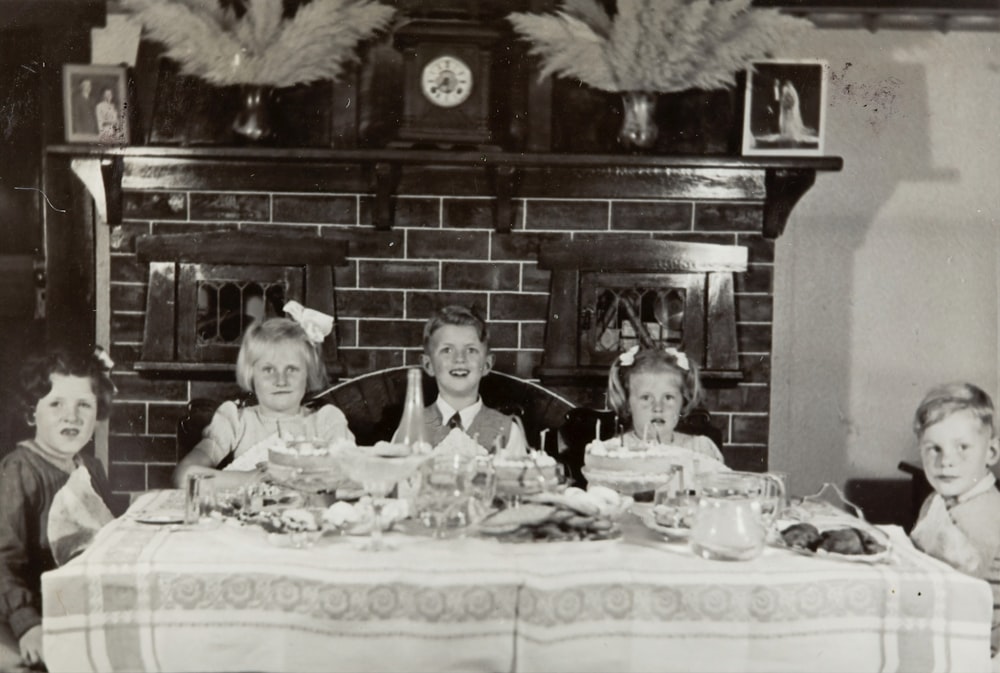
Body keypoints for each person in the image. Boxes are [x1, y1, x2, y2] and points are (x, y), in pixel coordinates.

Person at [0, 346, 116, 671]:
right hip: (33, 614)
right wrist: (27, 624)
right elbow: (2, 561)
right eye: (56, 404)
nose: (72, 416)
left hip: (84, 607)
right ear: (30, 413)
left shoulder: (90, 467)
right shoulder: (19, 470)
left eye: (84, 404)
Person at [172, 302, 353, 490]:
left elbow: (354, 477)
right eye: (268, 369)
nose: (281, 380)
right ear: (251, 374)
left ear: (308, 373)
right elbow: (185, 477)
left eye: (292, 369)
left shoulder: (326, 421)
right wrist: (255, 478)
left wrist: (297, 476)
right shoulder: (235, 420)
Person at [909, 382, 1000, 659]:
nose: (946, 461)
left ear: (991, 453)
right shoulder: (934, 501)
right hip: (938, 628)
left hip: (980, 649)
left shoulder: (989, 517)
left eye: (962, 447)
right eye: (934, 448)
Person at [420, 305, 525, 451]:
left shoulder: (508, 432)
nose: (460, 358)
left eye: (471, 350)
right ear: (429, 364)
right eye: (447, 350)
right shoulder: (411, 427)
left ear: (487, 364)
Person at [606, 345, 724, 462]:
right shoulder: (613, 452)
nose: (658, 408)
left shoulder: (700, 449)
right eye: (646, 398)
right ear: (627, 403)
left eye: (668, 397)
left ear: (683, 401)